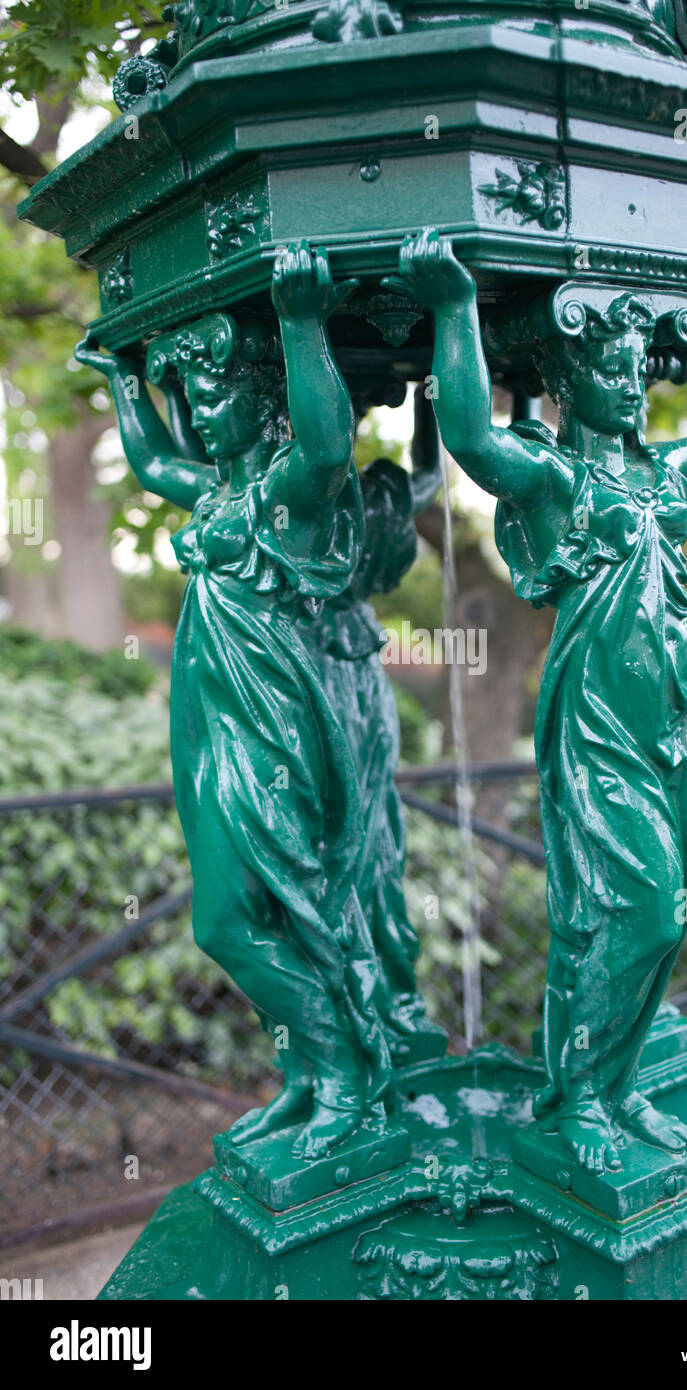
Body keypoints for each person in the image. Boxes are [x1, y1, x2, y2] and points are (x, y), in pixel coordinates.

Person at [390, 227, 687, 1174]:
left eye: (635, 368)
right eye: (608, 368)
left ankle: (614, 1092)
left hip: (679, 720)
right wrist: (454, 307)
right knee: (632, 909)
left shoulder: (661, 473)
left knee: (672, 904)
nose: (630, 383)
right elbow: (471, 438)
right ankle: (576, 1096)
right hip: (599, 725)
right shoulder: (557, 475)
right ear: (566, 379)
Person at [75, 244, 393, 1160]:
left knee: (250, 910)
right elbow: (150, 458)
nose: (205, 412)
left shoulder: (287, 494)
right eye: (198, 394)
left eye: (222, 393)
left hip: (273, 723)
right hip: (209, 721)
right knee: (235, 914)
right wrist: (122, 381)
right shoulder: (214, 491)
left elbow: (331, 446)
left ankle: (341, 1075)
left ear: (267, 398)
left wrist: (298, 322)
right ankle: (309, 1073)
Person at [298, 387, 448, 1061]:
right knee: (358, 840)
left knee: (363, 841)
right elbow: (430, 473)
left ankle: (374, 997)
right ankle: (374, 997)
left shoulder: (319, 504)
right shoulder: (360, 503)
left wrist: (431, 393)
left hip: (341, 675)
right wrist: (429, 394)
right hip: (344, 677)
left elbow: (428, 475)